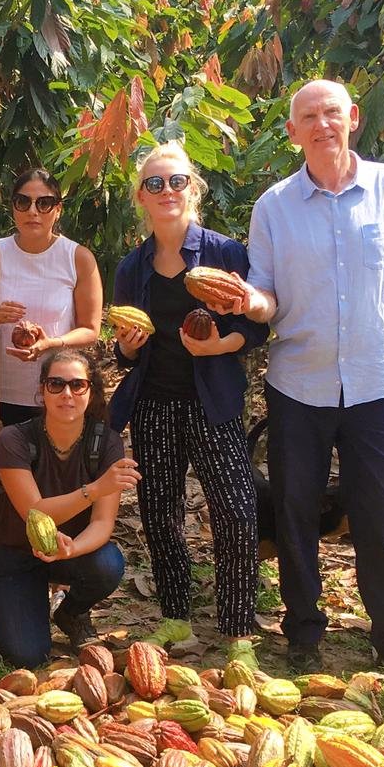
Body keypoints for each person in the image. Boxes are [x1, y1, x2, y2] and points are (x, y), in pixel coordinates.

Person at [220, 80, 384, 680]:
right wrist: (249, 301)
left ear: (352, 118)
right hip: (299, 383)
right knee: (295, 509)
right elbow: (267, 294)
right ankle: (303, 632)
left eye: (332, 113)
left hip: (377, 382)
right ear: (293, 131)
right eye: (308, 117)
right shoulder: (273, 205)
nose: (322, 124)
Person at [109, 141, 267, 638]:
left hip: (211, 401)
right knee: (159, 514)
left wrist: (219, 346)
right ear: (141, 197)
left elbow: (257, 329)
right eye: (155, 184)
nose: (167, 191)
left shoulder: (223, 253)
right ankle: (176, 617)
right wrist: (130, 348)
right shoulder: (132, 268)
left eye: (177, 181)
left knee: (237, 511)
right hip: (153, 401)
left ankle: (238, 626)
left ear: (192, 189)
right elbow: (124, 353)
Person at [0, 350, 140, 667]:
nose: (66, 394)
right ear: (42, 390)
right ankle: (21, 607)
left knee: (108, 564)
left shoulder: (107, 443)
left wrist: (70, 551)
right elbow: (35, 515)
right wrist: (96, 488)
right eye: (56, 384)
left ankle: (70, 612)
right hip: (17, 553)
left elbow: (101, 524)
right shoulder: (14, 438)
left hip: (71, 554)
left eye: (77, 385)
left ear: (91, 391)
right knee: (28, 656)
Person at [0, 169, 103, 426]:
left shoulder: (77, 258)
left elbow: (90, 330)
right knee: (8, 465)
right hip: (2, 395)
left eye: (44, 203)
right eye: (23, 202)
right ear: (13, 207)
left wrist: (52, 343)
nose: (32, 211)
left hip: (60, 392)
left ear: (58, 210)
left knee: (56, 466)